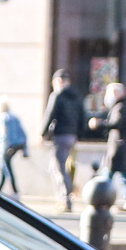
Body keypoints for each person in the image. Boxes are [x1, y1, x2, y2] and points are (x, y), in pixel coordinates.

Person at [92, 81, 126, 211]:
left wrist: (99, 123)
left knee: (111, 175)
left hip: (118, 149)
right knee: (118, 175)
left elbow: (116, 124)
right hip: (123, 148)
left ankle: (102, 199)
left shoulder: (121, 108)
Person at [43, 69, 86, 211]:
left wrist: (42, 133)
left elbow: (50, 115)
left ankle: (65, 198)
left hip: (61, 135)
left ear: (59, 81)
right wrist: (77, 134)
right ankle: (65, 196)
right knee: (60, 166)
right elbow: (83, 117)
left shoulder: (57, 95)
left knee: (58, 167)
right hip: (72, 136)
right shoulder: (77, 96)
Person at [0, 97, 27, 195]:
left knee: (6, 166)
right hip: (17, 145)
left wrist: (2, 149)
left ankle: (14, 190)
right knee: (5, 165)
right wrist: (25, 151)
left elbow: (5, 135)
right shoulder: (15, 117)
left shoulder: (3, 118)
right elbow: (23, 134)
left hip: (8, 146)